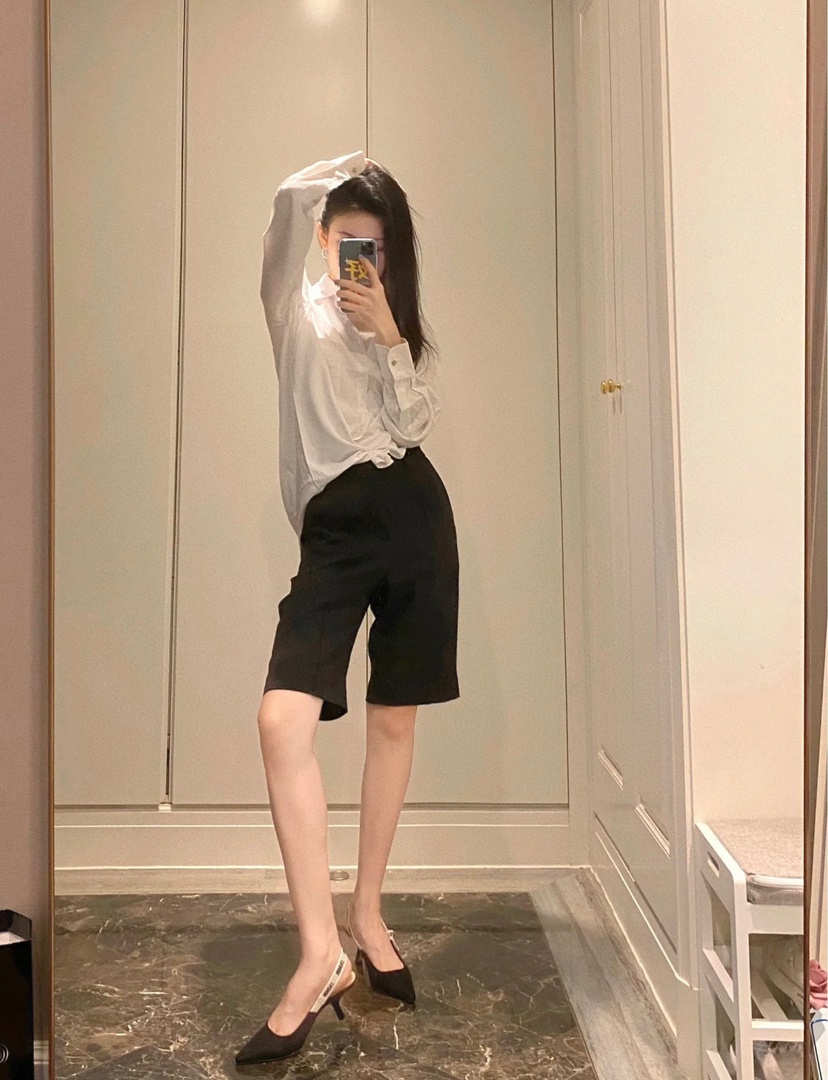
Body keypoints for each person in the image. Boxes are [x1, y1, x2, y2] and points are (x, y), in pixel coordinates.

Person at [236, 151, 460, 1066]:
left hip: (414, 514)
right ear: (326, 237)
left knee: (394, 718)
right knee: (281, 720)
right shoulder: (291, 307)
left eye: (379, 246)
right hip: (334, 529)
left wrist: (393, 340)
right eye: (349, 240)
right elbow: (282, 215)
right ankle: (319, 952)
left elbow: (413, 428)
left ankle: (367, 916)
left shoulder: (385, 324)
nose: (363, 259)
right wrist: (345, 170)